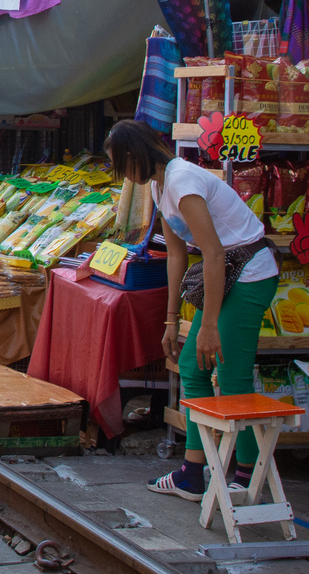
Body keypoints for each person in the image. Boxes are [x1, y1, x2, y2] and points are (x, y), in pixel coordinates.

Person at [104, 120, 280, 502]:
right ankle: (194, 471)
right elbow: (176, 256)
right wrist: (171, 321)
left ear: (134, 158)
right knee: (191, 365)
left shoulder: (182, 180)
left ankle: (248, 473)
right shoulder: (159, 184)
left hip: (249, 274)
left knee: (231, 374)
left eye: (120, 166)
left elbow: (214, 252)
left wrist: (210, 324)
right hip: (227, 276)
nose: (124, 177)